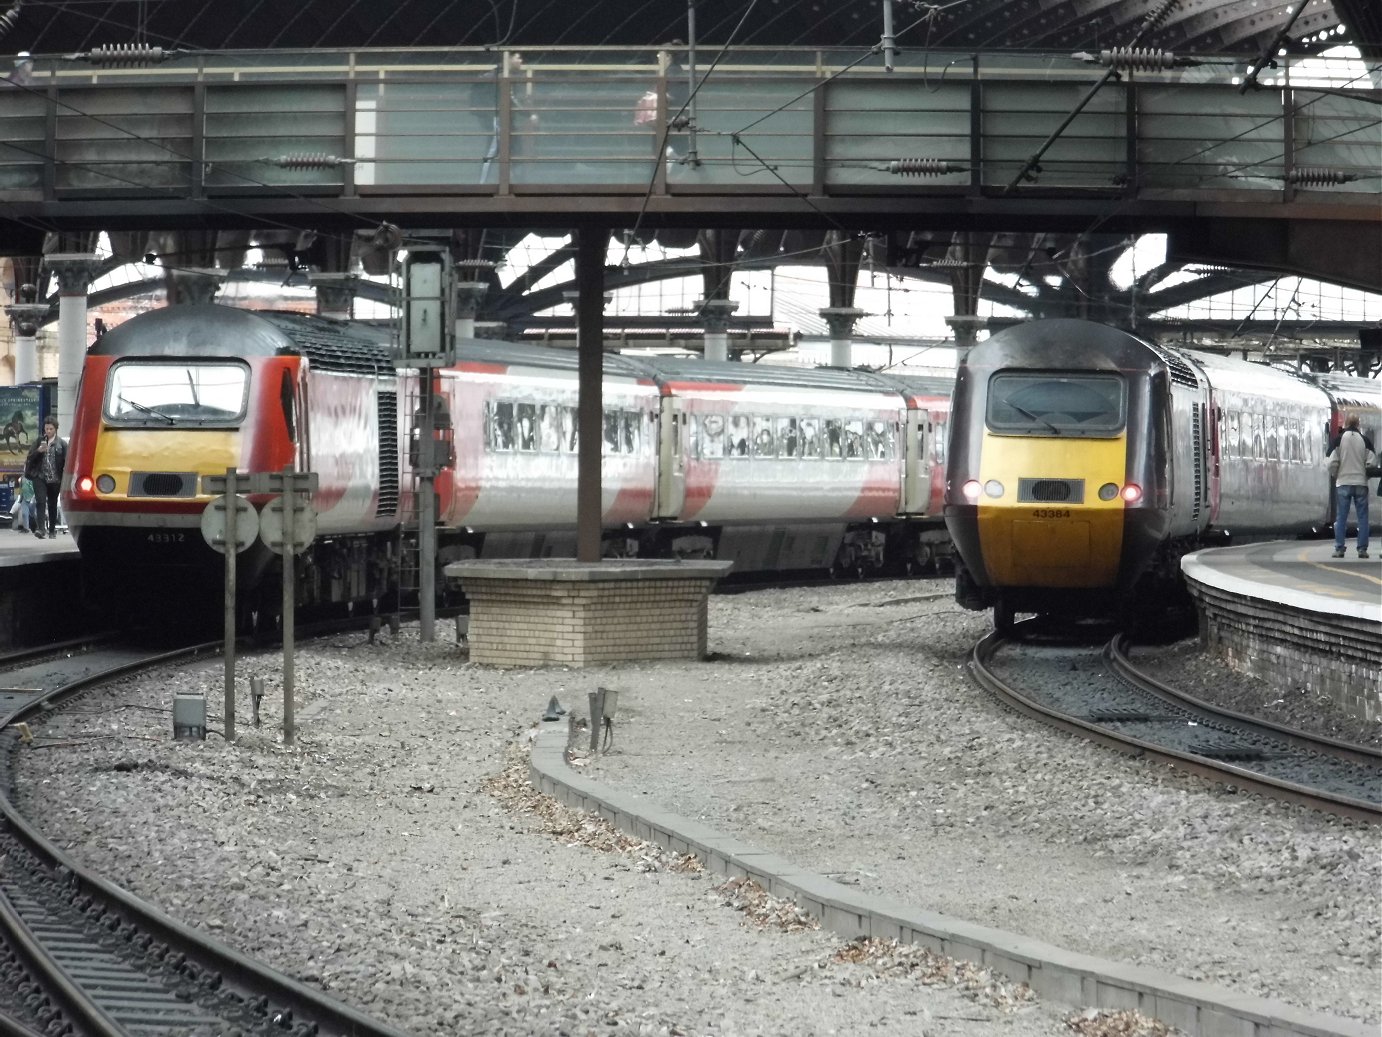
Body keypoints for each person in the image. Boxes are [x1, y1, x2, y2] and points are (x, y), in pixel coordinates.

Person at [1326, 414, 1374, 559]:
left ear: (1346, 424)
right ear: (1358, 424)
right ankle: (1362, 549)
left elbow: (1331, 462)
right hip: (1360, 483)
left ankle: (1339, 548)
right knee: (1363, 517)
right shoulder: (1364, 440)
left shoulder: (1338, 440)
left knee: (1341, 517)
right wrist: (1365, 476)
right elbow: (1371, 463)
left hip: (1343, 483)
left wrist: (1336, 475)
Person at [24, 417, 66, 540]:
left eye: (51, 429)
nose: (48, 431)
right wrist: (38, 451)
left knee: (52, 504)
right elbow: (30, 457)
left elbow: (66, 461)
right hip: (40, 476)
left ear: (56, 429)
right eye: (46, 428)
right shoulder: (39, 441)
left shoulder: (62, 444)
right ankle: (41, 529)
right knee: (40, 501)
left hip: (55, 479)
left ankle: (52, 530)